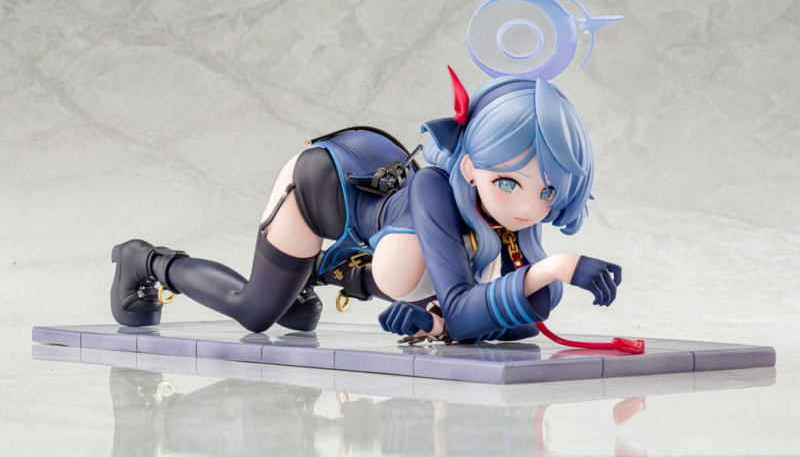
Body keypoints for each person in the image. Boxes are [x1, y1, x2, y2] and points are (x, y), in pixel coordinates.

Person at [110, 68, 621, 343]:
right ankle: (146, 260)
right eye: (508, 182)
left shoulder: (514, 215)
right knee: (257, 312)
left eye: (547, 192)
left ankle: (317, 275)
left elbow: (524, 321)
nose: (529, 207)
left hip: (379, 215)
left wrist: (438, 324)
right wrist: (557, 267)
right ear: (470, 167)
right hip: (323, 186)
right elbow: (471, 312)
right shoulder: (435, 190)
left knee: (304, 319)